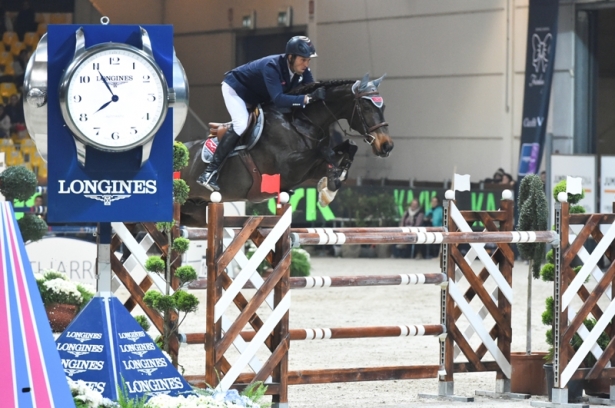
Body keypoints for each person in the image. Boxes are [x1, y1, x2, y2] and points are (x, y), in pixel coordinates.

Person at [197, 36, 325, 192]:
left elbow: (311, 88)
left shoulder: (302, 70)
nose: (306, 64)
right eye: (303, 60)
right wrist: (306, 99)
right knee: (241, 123)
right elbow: (278, 99)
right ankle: (210, 172)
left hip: (258, 96)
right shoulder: (272, 67)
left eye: (308, 60)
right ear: (290, 57)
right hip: (236, 90)